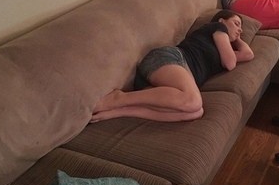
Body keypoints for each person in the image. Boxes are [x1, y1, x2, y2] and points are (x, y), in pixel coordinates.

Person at [91, 10, 254, 123]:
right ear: (221, 21)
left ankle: (120, 111)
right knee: (193, 101)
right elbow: (230, 63)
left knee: (195, 112)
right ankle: (120, 99)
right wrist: (230, 33)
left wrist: (237, 36)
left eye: (241, 27)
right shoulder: (217, 28)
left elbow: (248, 55)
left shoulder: (224, 52)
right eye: (236, 23)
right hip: (167, 59)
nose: (240, 29)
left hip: (166, 83)